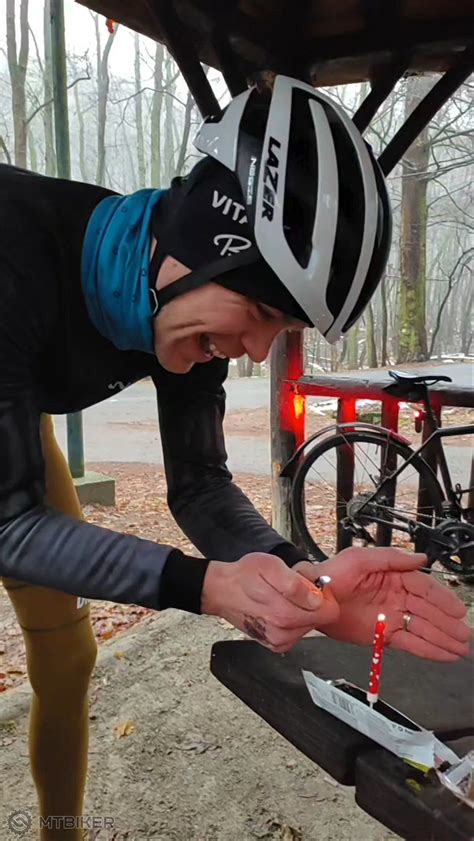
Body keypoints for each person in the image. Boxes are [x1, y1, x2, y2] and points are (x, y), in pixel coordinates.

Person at [0, 75, 469, 839]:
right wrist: (209, 586)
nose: (253, 350)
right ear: (195, 245)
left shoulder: (177, 292)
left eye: (277, 329)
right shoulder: (13, 253)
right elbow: (9, 524)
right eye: (256, 313)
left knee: (66, 657)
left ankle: (58, 831)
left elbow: (201, 488)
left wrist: (304, 582)